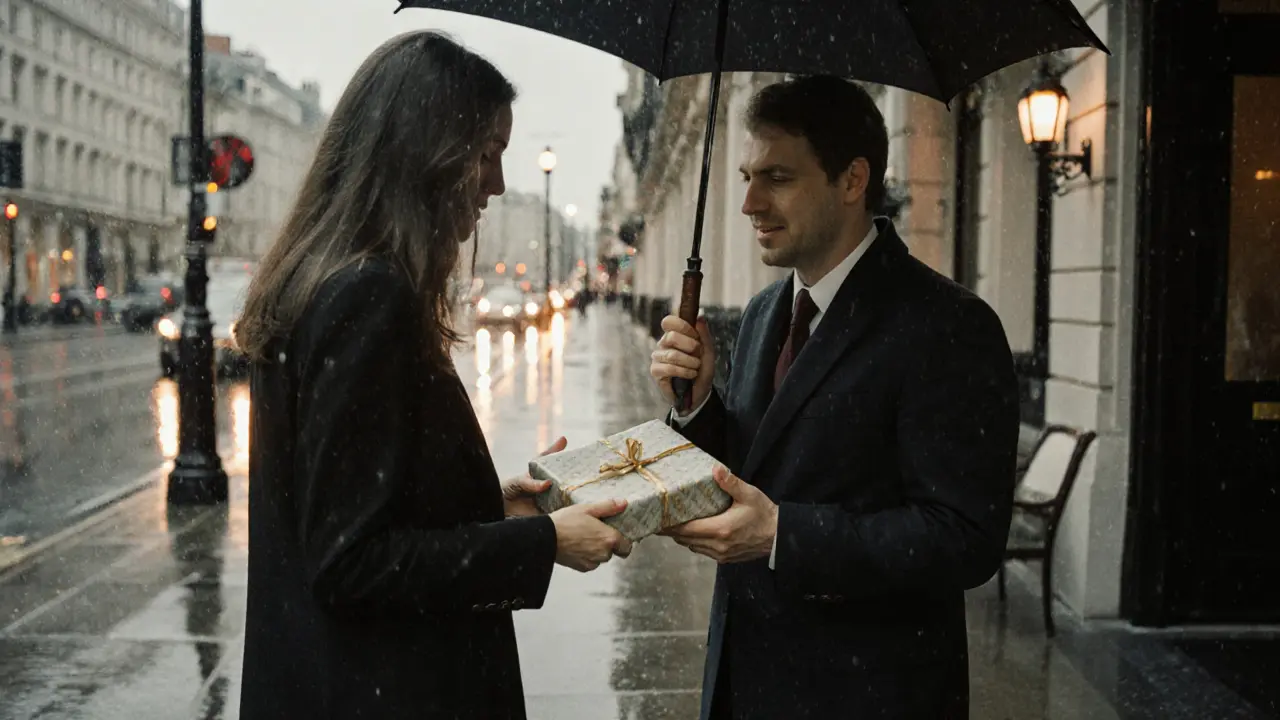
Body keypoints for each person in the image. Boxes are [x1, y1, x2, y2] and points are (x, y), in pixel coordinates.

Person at [234, 31, 631, 720]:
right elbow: (351, 563)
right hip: (389, 690)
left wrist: (488, 502)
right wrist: (543, 543)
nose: (497, 184)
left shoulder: (325, 280)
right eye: (486, 154)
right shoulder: (368, 296)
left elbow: (346, 502)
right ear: (428, 154)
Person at [650, 76, 1020, 719]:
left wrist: (784, 534)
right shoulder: (766, 311)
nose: (750, 203)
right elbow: (753, 468)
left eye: (779, 178)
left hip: (867, 694)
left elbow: (965, 537)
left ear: (852, 181)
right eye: (746, 176)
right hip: (747, 681)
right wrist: (696, 405)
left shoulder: (947, 325)